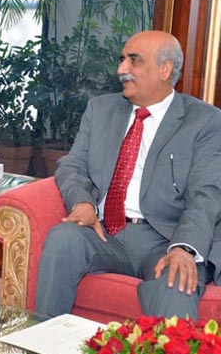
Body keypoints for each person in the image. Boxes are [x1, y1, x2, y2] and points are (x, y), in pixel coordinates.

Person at [36, 30, 221, 320]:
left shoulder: (205, 121)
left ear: (165, 69)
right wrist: (82, 203)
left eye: (133, 61)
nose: (122, 69)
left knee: (176, 282)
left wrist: (184, 248)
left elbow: (206, 194)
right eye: (122, 60)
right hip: (106, 234)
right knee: (64, 239)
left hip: (165, 238)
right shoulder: (101, 109)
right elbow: (72, 166)